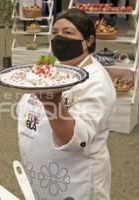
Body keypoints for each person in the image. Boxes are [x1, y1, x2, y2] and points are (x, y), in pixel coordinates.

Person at [17, 8, 116, 200]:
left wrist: (52, 104)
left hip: (76, 178)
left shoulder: (96, 82)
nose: (59, 38)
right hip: (43, 173)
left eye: (68, 33)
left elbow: (75, 139)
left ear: (88, 41)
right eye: (55, 33)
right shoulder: (53, 67)